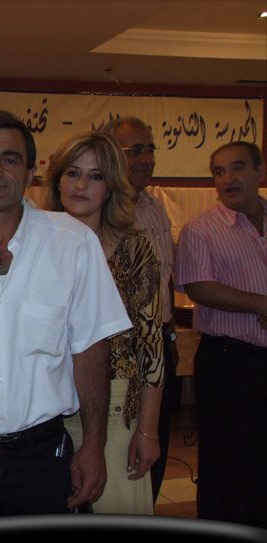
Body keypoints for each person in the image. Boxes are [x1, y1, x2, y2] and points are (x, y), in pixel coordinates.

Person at [0, 110, 132, 520]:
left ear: (31, 171)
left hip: (43, 457)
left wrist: (94, 443)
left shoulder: (73, 243)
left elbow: (91, 350)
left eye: (10, 159)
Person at [45, 132, 164, 514]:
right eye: (73, 173)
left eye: (95, 176)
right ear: (57, 180)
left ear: (111, 186)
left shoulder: (133, 248)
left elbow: (151, 346)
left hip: (115, 413)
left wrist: (147, 430)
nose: (81, 185)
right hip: (47, 413)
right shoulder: (34, 246)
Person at [175, 141, 267, 528]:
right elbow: (199, 287)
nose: (228, 178)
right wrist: (261, 305)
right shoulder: (201, 229)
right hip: (230, 362)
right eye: (219, 171)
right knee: (229, 465)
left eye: (238, 167)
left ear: (260, 171)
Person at [108, 116, 178, 502]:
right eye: (135, 150)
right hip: (118, 357)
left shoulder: (156, 207)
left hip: (159, 344)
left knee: (154, 443)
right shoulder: (101, 212)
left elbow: (164, 280)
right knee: (119, 459)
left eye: (150, 148)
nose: (147, 158)